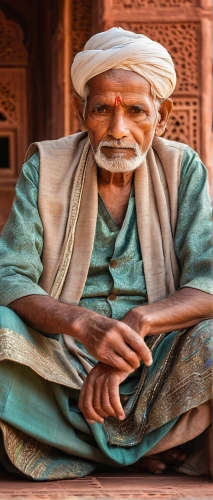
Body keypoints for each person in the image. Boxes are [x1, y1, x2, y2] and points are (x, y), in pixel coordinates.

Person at [0, 27, 212, 481]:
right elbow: (11, 275)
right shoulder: (46, 166)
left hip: (160, 362)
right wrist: (83, 324)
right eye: (102, 111)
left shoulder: (183, 167)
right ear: (83, 114)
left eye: (136, 111)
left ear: (163, 116)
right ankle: (129, 455)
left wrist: (138, 327)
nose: (118, 131)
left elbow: (209, 279)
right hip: (61, 363)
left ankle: (84, 454)